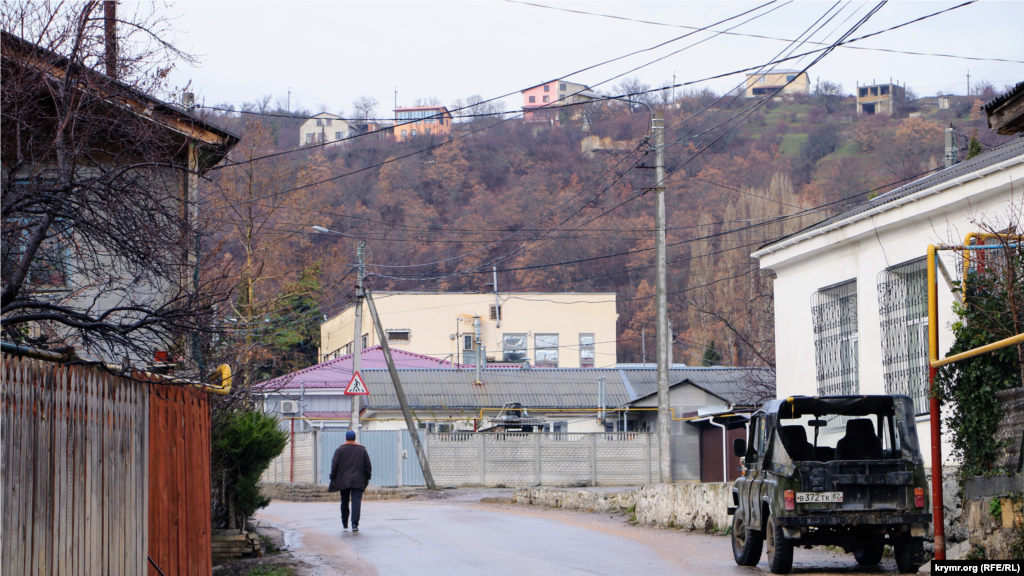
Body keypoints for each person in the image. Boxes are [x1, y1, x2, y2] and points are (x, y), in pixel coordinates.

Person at [328, 430, 372, 531]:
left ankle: (345, 522)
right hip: (358, 480)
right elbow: (368, 465)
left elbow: (334, 464)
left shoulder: (340, 450)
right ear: (355, 438)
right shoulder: (362, 450)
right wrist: (368, 477)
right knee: (356, 502)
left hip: (344, 480)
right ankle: (355, 524)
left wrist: (332, 476)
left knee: (344, 501)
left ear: (346, 438)